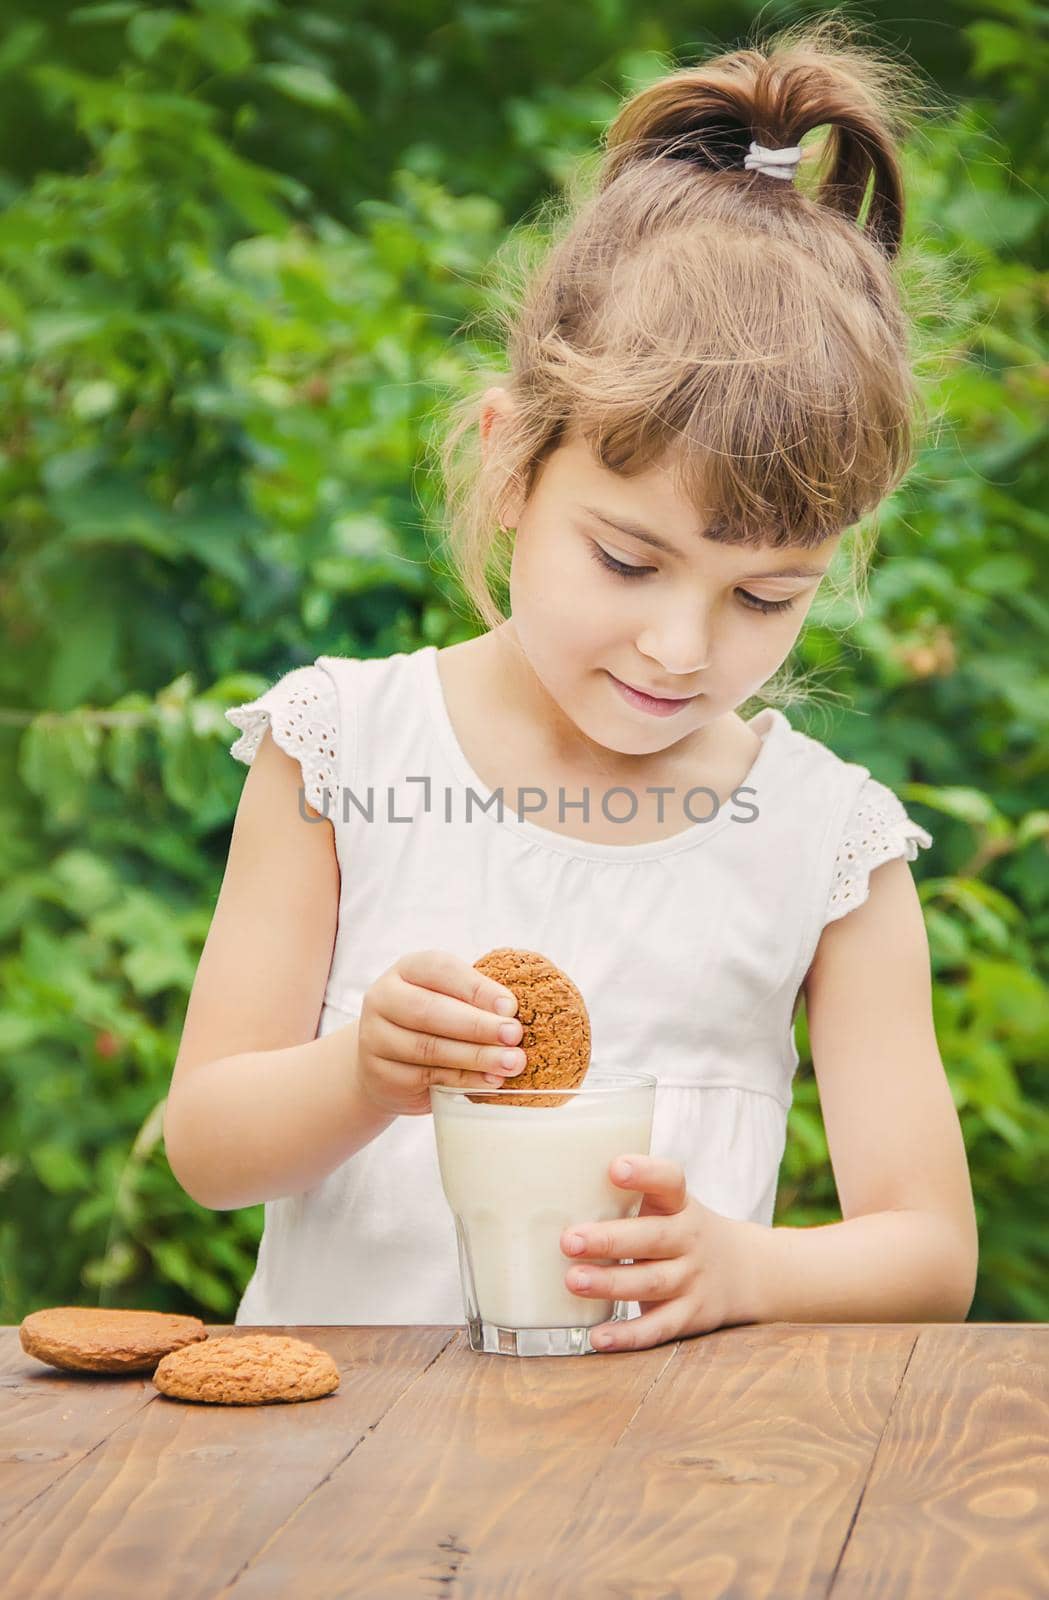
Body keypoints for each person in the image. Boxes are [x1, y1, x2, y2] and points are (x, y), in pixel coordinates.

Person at [163, 18, 979, 1347]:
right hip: (332, 1491)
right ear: (508, 464)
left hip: (653, 1500)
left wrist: (747, 1269)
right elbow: (208, 1148)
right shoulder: (343, 754)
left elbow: (929, 1250)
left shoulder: (824, 843)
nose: (679, 646)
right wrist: (364, 1073)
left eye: (764, 595)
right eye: (624, 558)